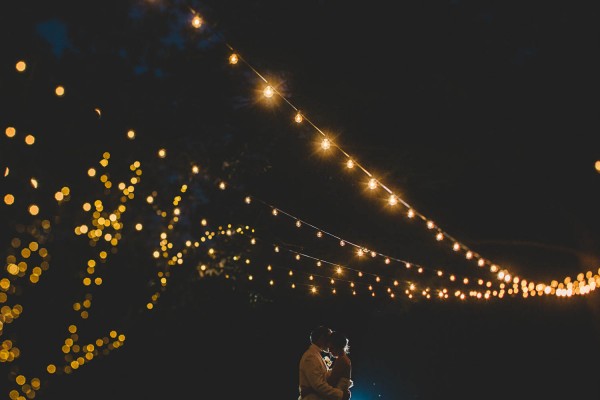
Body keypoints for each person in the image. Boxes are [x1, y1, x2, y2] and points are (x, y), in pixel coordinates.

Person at [298, 326, 351, 400]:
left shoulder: (315, 355)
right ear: (322, 338)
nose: (330, 342)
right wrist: (341, 395)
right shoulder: (310, 356)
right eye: (329, 338)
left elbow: (323, 380)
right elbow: (319, 385)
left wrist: (310, 389)